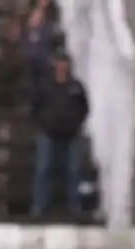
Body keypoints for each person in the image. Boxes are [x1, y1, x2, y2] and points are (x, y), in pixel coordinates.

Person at [30, 51, 90, 219]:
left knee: (74, 171)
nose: (62, 66)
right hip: (48, 133)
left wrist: (75, 123)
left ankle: (75, 205)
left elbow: (84, 108)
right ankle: (39, 206)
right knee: (43, 169)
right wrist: (43, 123)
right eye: (59, 62)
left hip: (71, 135)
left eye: (65, 62)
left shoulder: (76, 87)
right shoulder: (45, 85)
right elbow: (35, 107)